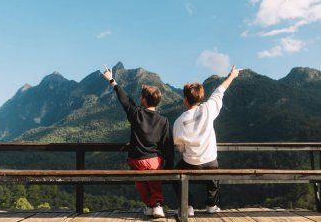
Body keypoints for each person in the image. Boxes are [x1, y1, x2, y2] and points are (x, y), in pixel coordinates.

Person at [101, 65, 174, 218]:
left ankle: (149, 205)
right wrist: (169, 164)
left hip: (137, 160)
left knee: (141, 183)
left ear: (144, 100)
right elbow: (167, 145)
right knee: (155, 183)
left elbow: (125, 99)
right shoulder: (164, 121)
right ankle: (157, 205)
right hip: (155, 161)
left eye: (141, 96)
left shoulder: (136, 114)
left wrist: (112, 81)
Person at [172, 65, 242, 216]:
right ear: (201, 97)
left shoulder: (179, 122)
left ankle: (187, 206)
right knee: (214, 176)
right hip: (210, 160)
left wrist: (187, 152)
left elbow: (179, 145)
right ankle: (211, 205)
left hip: (190, 162)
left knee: (175, 176)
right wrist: (232, 76)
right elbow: (219, 91)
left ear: (185, 99)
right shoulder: (208, 109)